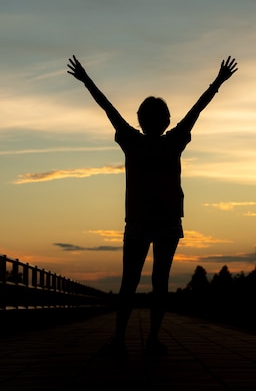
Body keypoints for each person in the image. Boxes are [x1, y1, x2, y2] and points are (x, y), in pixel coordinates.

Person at [67, 55, 238, 358]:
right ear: (167, 121)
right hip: (167, 221)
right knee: (160, 283)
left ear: (141, 120)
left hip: (139, 222)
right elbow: (196, 110)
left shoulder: (132, 141)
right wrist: (218, 83)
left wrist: (86, 81)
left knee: (128, 284)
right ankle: (152, 340)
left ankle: (120, 340)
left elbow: (108, 108)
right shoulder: (173, 142)